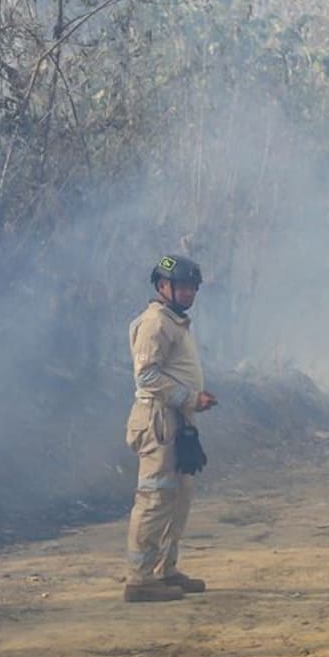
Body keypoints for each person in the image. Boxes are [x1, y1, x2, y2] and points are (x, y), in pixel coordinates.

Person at [123, 255, 217, 602]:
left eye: (192, 287)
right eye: (182, 286)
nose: (189, 292)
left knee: (178, 497)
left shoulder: (175, 322)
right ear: (163, 286)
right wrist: (190, 398)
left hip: (177, 419)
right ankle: (140, 580)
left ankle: (165, 570)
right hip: (158, 420)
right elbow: (146, 376)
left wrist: (191, 401)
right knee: (155, 498)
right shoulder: (155, 323)